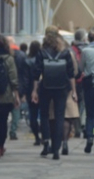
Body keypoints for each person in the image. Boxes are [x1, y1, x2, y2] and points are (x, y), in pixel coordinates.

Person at [31, 27, 76, 160]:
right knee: (59, 116)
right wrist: (73, 91)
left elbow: (36, 73)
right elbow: (71, 73)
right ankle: (57, 148)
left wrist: (34, 90)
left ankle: (46, 143)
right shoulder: (65, 52)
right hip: (61, 88)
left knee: (44, 115)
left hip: (46, 87)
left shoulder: (41, 52)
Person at [7, 36, 32, 141]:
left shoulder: (5, 54)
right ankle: (13, 130)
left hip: (5, 86)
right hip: (19, 85)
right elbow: (26, 74)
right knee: (16, 109)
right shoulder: (22, 55)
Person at [26, 40, 42, 145]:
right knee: (45, 114)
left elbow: (25, 78)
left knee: (33, 114)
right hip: (42, 88)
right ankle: (45, 135)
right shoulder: (42, 60)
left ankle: (36, 136)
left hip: (29, 89)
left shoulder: (27, 61)